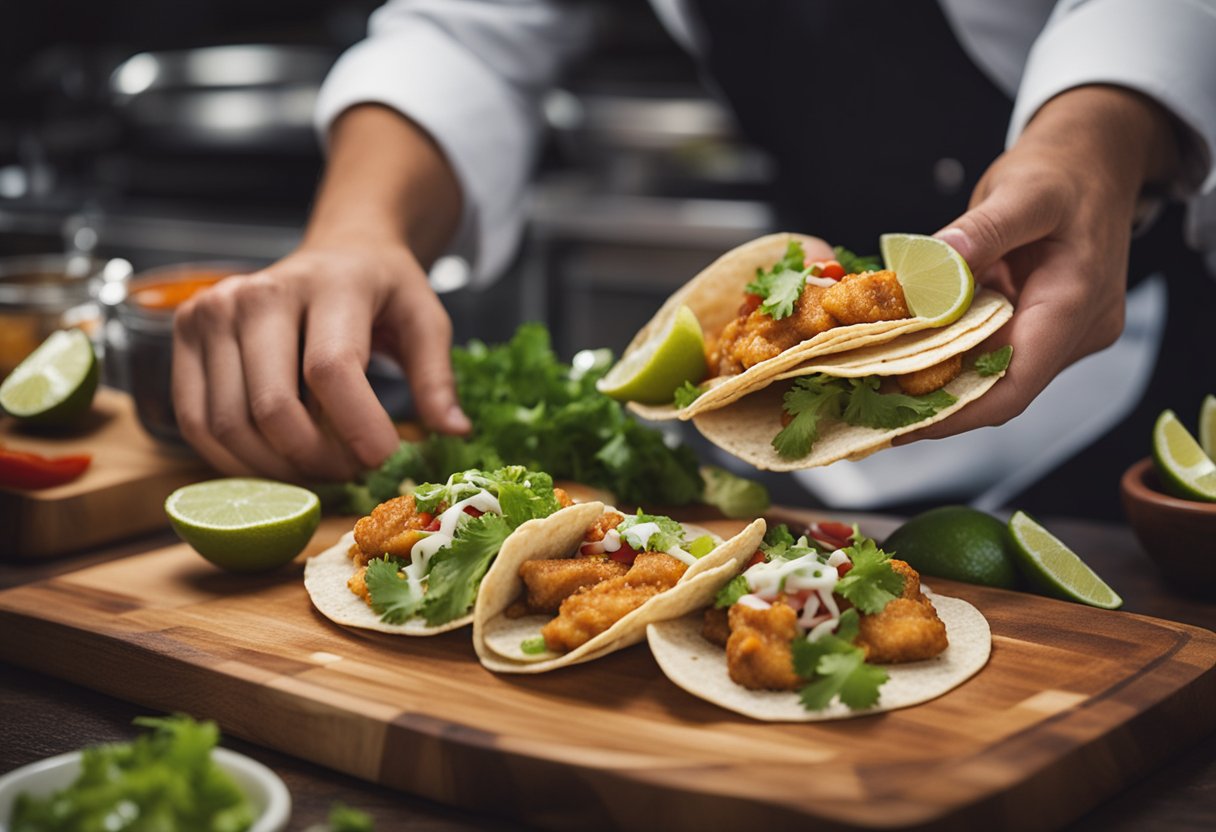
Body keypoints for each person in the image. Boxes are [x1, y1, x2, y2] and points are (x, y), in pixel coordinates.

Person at [171, 0, 1216, 518]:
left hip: (1116, 390)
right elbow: (467, 35)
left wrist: (1098, 140)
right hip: (793, 401)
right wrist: (356, 231)